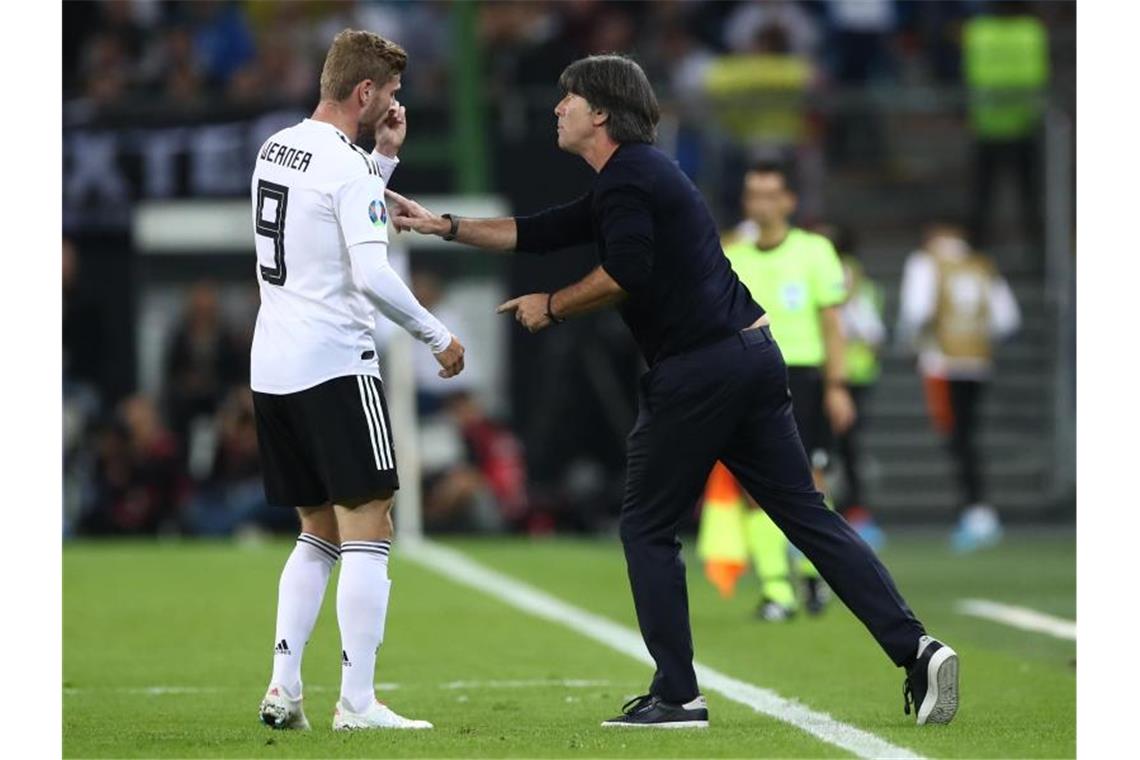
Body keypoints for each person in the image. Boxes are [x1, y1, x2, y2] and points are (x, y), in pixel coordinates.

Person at [393, 54, 958, 728]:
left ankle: (677, 692)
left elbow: (626, 269)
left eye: (567, 100)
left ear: (599, 112)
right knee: (808, 515)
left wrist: (553, 304)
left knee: (646, 525)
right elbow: (538, 232)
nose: (556, 110)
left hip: (700, 370)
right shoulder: (635, 175)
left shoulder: (628, 179)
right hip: (751, 356)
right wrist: (443, 225)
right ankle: (916, 648)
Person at [249, 29, 465, 732]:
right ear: (365, 92)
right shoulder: (342, 168)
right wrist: (438, 334)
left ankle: (283, 688)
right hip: (336, 364)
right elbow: (370, 273)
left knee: (318, 529)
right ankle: (359, 703)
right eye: (392, 94)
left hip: (273, 368)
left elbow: (325, 216)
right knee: (371, 525)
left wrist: (383, 160)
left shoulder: (276, 146)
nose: (397, 103)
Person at [696, 162, 856, 623]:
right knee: (753, 486)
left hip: (803, 376)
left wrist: (838, 386)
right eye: (753, 195)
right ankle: (776, 591)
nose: (761, 204)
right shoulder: (734, 256)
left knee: (812, 483)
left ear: (789, 201)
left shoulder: (815, 251)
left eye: (770, 194)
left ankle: (814, 573)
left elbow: (832, 322)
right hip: (751, 378)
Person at [897, 222, 1021, 553]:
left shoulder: (925, 263)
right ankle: (977, 509)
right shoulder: (981, 265)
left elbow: (916, 311)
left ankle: (976, 512)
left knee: (955, 436)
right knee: (969, 435)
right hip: (978, 362)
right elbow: (1007, 319)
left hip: (942, 362)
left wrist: (911, 345)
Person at [816, 222, 887, 547]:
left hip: (844, 374)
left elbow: (865, 327)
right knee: (838, 448)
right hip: (838, 371)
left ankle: (850, 512)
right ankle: (847, 511)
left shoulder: (841, 273)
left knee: (840, 448)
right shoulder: (847, 273)